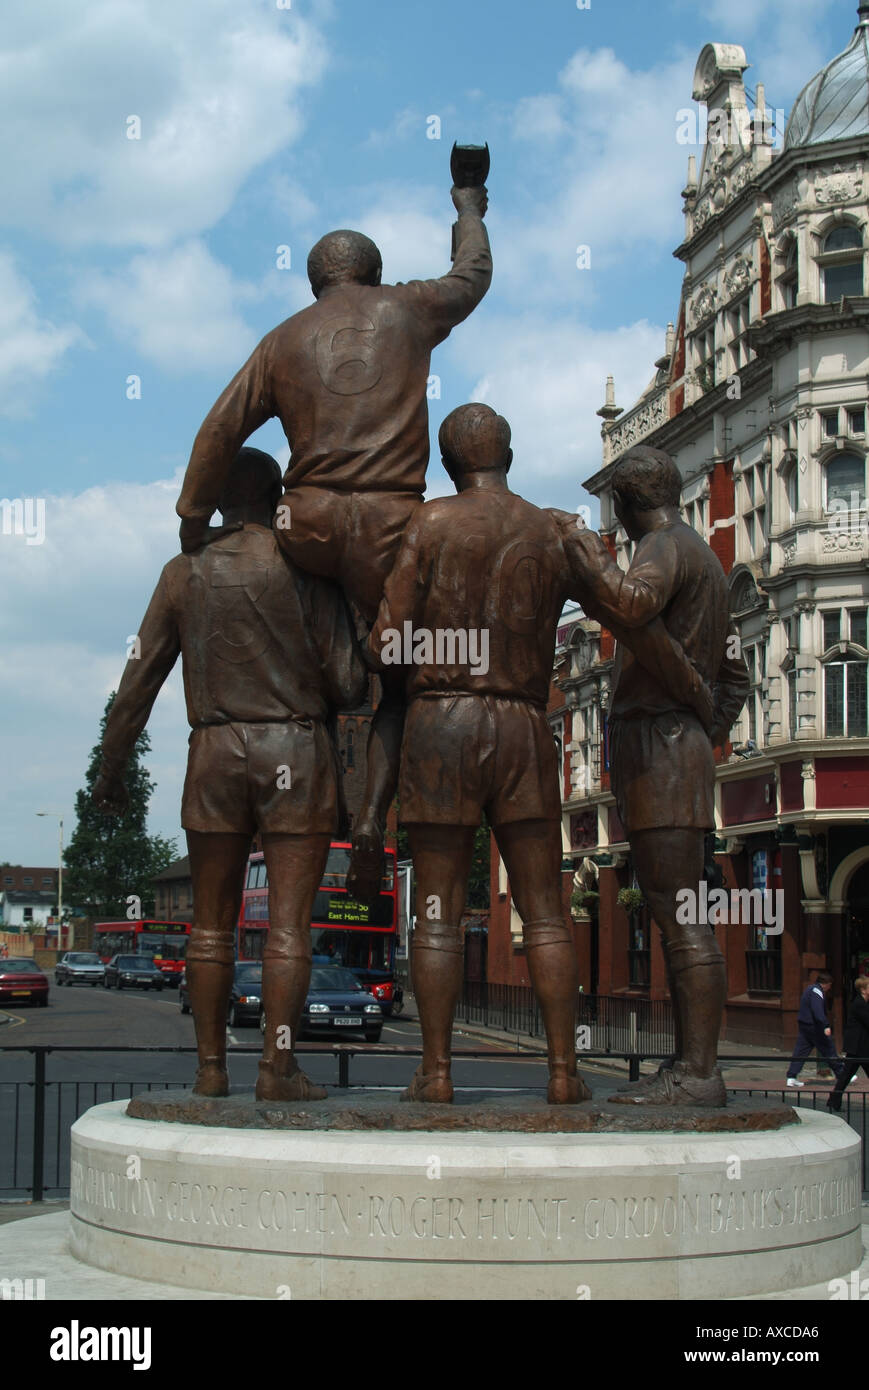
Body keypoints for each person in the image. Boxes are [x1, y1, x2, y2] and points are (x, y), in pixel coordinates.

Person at [367, 405, 716, 1104]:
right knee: (548, 910)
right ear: (510, 454)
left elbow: (384, 647)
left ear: (447, 461)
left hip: (442, 725)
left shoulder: (427, 525)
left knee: (434, 910)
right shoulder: (552, 530)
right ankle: (564, 1074)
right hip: (526, 725)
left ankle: (434, 1074)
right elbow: (624, 609)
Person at [175, 187, 492, 903]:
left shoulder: (283, 338)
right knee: (399, 683)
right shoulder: (410, 308)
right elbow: (473, 275)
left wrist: (194, 523)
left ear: (316, 280)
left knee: (314, 663)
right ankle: (376, 814)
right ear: (372, 274)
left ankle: (299, 767)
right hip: (392, 525)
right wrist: (469, 207)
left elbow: (218, 431)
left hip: (305, 527)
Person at [93, 448, 366, 1101]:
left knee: (209, 925)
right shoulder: (307, 571)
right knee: (288, 927)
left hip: (212, 748)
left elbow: (138, 679)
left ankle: (210, 1071)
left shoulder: (181, 573)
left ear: (216, 501)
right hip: (292, 749)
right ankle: (277, 1069)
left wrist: (111, 767)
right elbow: (351, 683)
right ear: (277, 498)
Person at [550, 444, 750, 1106]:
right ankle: (694, 1068)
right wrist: (700, 730)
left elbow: (630, 607)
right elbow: (736, 677)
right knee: (680, 909)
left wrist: (584, 551)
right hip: (678, 745)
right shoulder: (709, 563)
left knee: (677, 913)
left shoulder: (662, 545)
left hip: (661, 750)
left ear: (627, 503)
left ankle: (697, 1075)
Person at [786, 971, 844, 1087]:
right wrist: (825, 1025)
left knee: (801, 1051)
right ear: (826, 984)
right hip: (814, 1027)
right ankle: (842, 1074)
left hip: (805, 1025)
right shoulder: (817, 992)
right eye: (829, 985)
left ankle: (791, 1077)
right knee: (828, 1048)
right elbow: (817, 1011)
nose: (829, 988)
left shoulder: (809, 989)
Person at [827, 976, 869, 1110]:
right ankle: (834, 1099)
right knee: (846, 1075)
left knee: (846, 1075)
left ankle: (833, 1099)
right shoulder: (859, 1004)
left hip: (860, 1047)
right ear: (863, 989)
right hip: (858, 1047)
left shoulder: (864, 1003)